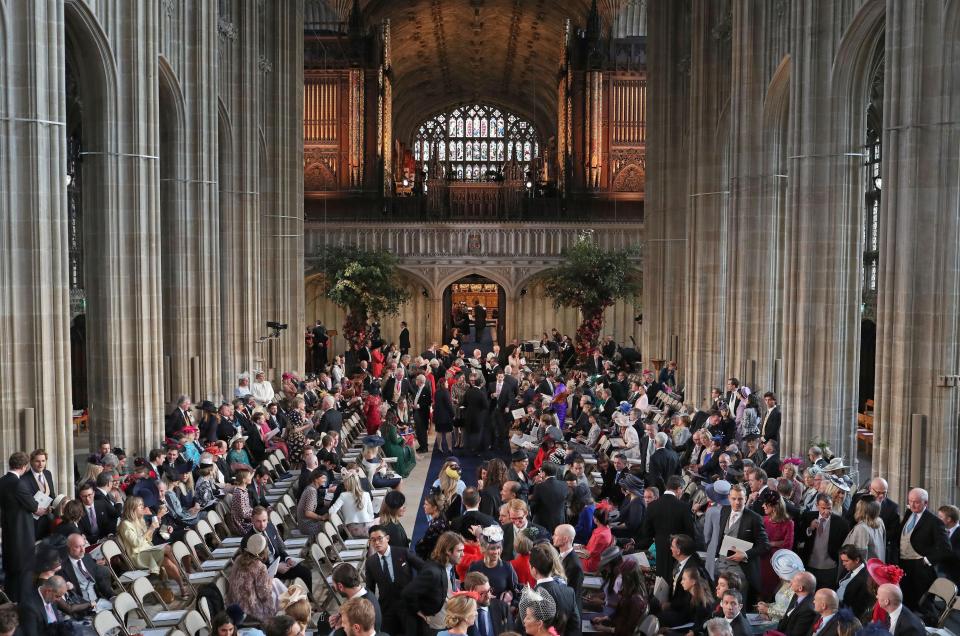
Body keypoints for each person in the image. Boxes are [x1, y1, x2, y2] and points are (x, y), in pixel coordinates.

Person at [117, 495, 186, 598]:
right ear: (132, 508)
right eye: (140, 506)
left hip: (148, 550)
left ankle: (182, 588)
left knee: (167, 561)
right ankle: (183, 574)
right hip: (138, 556)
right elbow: (136, 543)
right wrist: (150, 529)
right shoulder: (125, 524)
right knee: (167, 548)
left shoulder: (140, 520)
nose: (143, 507)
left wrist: (153, 528)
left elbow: (148, 539)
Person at [0, 452, 46, 601]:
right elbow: (34, 506)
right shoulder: (18, 483)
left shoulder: (2, 481)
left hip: (8, 531)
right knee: (23, 570)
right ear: (25, 466)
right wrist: (41, 509)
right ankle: (20, 601)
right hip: (22, 533)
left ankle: (11, 600)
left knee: (11, 570)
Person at [637, 475, 697, 582]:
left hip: (660, 548)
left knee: (661, 580)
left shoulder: (652, 506)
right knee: (675, 580)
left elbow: (646, 532)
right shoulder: (684, 507)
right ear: (679, 489)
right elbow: (690, 533)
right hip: (679, 551)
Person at [404, 531, 465, 635]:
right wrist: (419, 611)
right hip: (435, 627)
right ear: (448, 551)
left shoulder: (450, 565)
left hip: (447, 623)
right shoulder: (432, 572)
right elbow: (408, 593)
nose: (463, 554)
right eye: (459, 551)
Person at [898, 487, 949, 609]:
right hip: (903, 564)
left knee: (921, 606)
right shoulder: (909, 512)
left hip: (920, 568)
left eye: (916, 502)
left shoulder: (935, 522)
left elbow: (945, 548)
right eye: (910, 501)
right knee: (904, 601)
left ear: (925, 503)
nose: (912, 504)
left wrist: (927, 560)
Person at [243, 507, 313, 591]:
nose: (262, 524)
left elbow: (279, 548)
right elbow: (252, 566)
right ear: (252, 520)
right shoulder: (248, 540)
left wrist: (287, 558)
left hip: (280, 563)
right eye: (258, 521)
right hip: (265, 573)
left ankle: (308, 600)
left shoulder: (270, 527)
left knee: (306, 572)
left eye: (264, 520)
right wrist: (276, 568)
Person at [365, 524, 418, 635]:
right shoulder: (370, 562)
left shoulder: (403, 552)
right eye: (373, 540)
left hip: (407, 605)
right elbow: (370, 588)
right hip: (386, 608)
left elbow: (423, 569)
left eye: (380, 538)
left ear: (387, 538)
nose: (377, 543)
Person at [797, 493, 850, 591]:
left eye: (829, 508)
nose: (826, 511)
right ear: (817, 506)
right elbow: (799, 538)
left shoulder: (841, 523)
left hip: (830, 569)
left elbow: (845, 546)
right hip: (810, 566)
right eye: (823, 508)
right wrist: (809, 529)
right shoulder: (808, 517)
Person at [227, 533, 280, 623]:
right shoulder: (259, 566)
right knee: (277, 593)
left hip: (234, 603)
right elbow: (264, 594)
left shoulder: (238, 559)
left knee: (277, 584)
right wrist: (269, 582)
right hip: (250, 609)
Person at [530, 543, 579, 636]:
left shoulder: (529, 598)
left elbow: (523, 629)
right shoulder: (569, 592)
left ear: (534, 570)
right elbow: (575, 626)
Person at [589, 560, 648, 635]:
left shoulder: (636, 601)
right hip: (615, 625)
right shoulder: (630, 592)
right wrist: (605, 618)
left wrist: (606, 629)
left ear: (628, 579)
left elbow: (628, 630)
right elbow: (620, 611)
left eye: (622, 578)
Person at [759, 489, 794, 597]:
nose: (763, 506)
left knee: (775, 592)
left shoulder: (788, 523)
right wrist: (776, 543)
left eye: (766, 504)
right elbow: (759, 541)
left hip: (778, 563)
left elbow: (788, 546)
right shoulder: (762, 520)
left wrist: (770, 544)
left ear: (774, 507)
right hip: (762, 560)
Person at [468, 526, 519, 600]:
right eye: (492, 548)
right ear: (483, 548)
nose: (496, 552)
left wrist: (511, 601)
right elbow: (468, 591)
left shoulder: (507, 567)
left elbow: (515, 591)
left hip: (500, 609)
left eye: (498, 548)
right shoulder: (474, 567)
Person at [329, 471, 375, 537]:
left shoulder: (343, 495)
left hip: (353, 530)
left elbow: (331, 511)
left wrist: (341, 516)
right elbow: (371, 514)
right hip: (369, 529)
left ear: (346, 483)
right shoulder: (366, 494)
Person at [836, 544, 873, 621]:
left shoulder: (865, 579)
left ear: (856, 560)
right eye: (842, 561)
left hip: (846, 614)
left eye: (846, 561)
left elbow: (858, 609)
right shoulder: (850, 567)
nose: (843, 564)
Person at [844, 496, 886, 562]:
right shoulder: (880, 522)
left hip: (866, 570)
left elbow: (860, 556)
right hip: (876, 567)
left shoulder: (861, 528)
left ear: (861, 510)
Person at [381, 410, 417, 477]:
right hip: (392, 449)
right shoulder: (392, 427)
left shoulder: (382, 425)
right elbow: (395, 441)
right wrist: (401, 438)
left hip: (384, 447)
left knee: (405, 446)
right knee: (409, 448)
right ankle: (403, 471)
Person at [581, 504, 615, 573]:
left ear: (596, 519)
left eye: (594, 517)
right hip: (591, 557)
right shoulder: (605, 529)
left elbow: (591, 554)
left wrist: (578, 551)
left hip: (591, 563)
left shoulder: (601, 535)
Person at [417, 492, 452, 559]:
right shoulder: (442, 517)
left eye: (426, 504)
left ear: (435, 507)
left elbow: (423, 548)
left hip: (435, 559)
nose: (423, 506)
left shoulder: (435, 526)